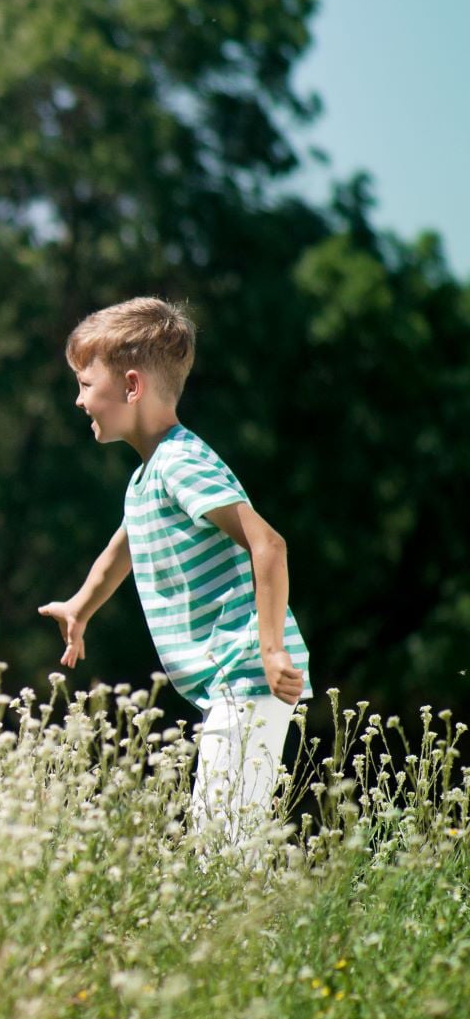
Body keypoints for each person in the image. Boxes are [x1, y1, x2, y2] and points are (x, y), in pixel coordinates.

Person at [37, 297, 309, 845]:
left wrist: (272, 647)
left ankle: (246, 928)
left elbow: (269, 545)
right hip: (231, 682)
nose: (78, 399)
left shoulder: (181, 464)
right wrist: (79, 607)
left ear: (131, 387)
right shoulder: (149, 478)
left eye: (87, 384)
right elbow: (122, 550)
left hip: (249, 672)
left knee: (222, 841)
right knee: (226, 837)